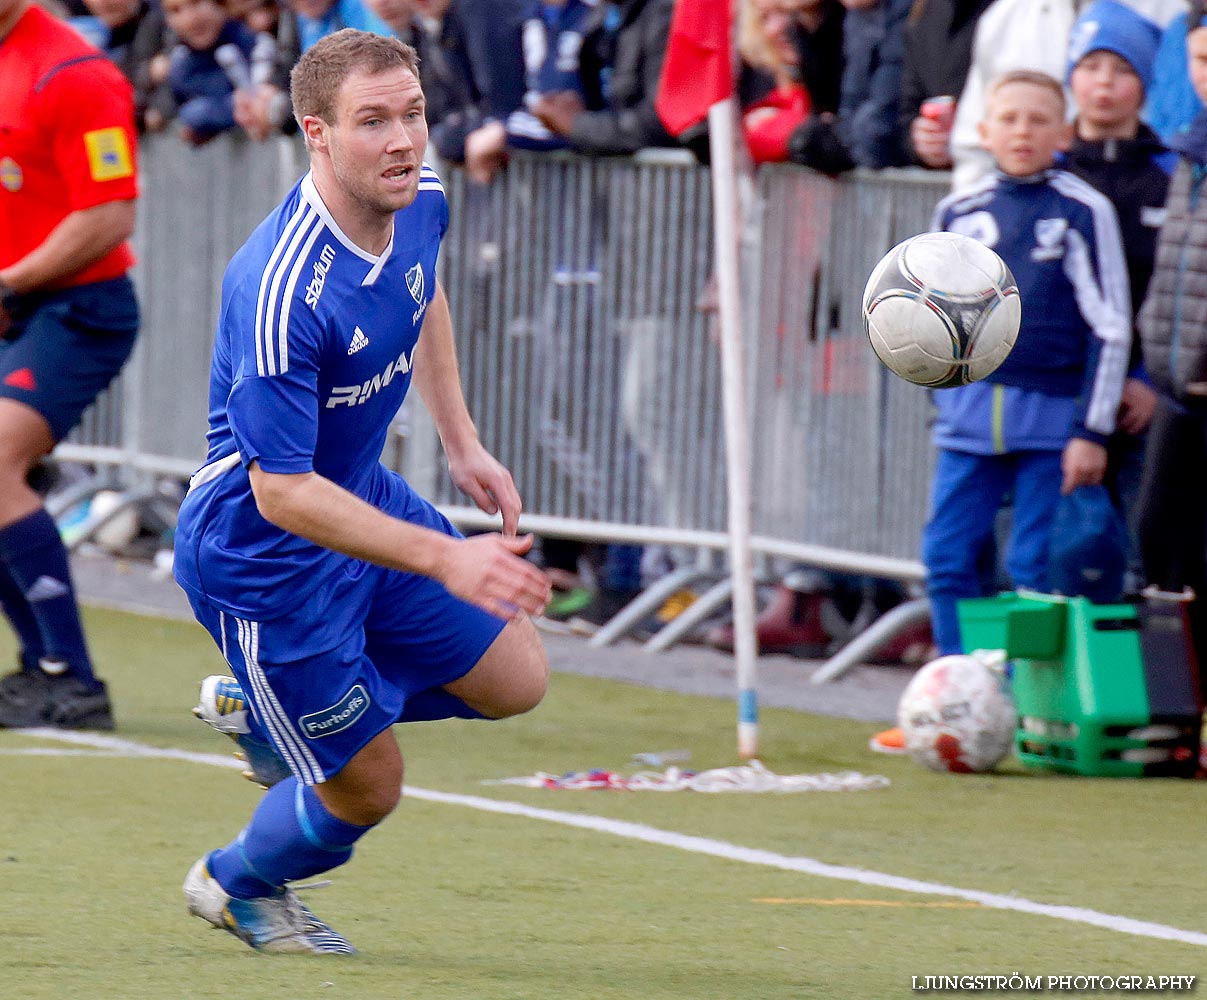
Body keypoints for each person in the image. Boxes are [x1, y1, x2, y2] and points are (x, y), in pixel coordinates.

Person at [174, 29, 551, 954]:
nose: (404, 140)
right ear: (317, 134)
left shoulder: (419, 196)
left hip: (361, 500)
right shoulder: (279, 288)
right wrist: (445, 555)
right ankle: (234, 883)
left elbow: (421, 295)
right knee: (369, 787)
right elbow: (282, 495)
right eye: (372, 121)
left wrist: (460, 440)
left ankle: (270, 711)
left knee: (517, 678)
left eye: (414, 114)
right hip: (262, 558)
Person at [872, 69, 1131, 752]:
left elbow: (1109, 326)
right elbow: (919, 311)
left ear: (1063, 131)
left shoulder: (1080, 210)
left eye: (1037, 120)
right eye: (1007, 119)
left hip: (1051, 422)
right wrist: (935, 390)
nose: (1022, 132)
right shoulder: (958, 212)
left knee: (1031, 567)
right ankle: (953, 695)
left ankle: (1019, 704)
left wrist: (1089, 429)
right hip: (966, 420)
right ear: (982, 132)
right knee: (947, 556)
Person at [0, 0, 140, 731]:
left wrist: (10, 281)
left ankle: (77, 682)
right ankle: (42, 670)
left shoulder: (73, 73)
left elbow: (109, 215)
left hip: (75, 309)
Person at [1063, 0, 1169, 594]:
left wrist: (1151, 379)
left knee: (1135, 566)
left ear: (1145, 81)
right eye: (1091, 64)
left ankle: (1134, 680)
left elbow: (1181, 291)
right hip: (1058, 395)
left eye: (1122, 68)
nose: (1104, 83)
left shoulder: (1171, 175)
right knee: (1039, 560)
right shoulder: (1044, 172)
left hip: (1140, 404)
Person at [1136, 15, 1207, 709]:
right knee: (1158, 542)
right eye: (1199, 58)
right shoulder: (1188, 153)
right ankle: (1171, 714)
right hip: (1179, 385)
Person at [162, 0, 276, 145]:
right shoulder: (180, 66)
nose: (190, 19)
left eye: (196, 2)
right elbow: (186, 114)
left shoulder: (255, 44)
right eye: (175, 10)